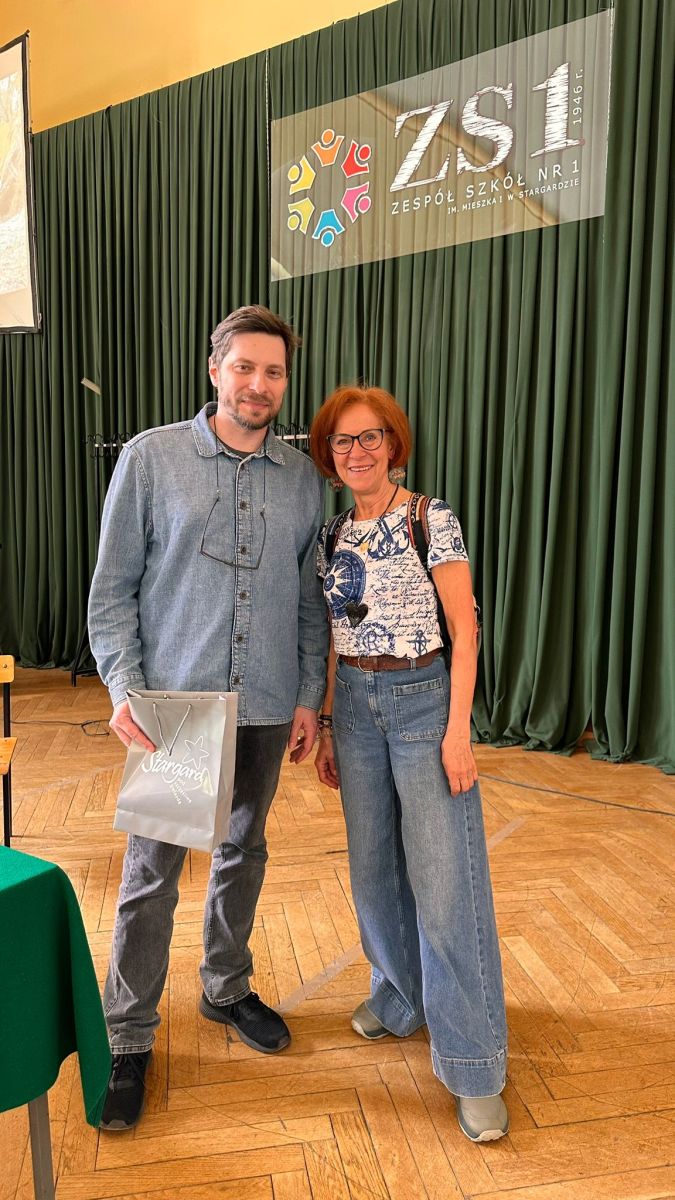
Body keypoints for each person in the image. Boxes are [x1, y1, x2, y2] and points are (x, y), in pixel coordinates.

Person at [88, 305, 327, 1130]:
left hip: (267, 702)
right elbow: (112, 591)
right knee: (152, 876)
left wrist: (307, 697)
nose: (259, 384)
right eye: (245, 367)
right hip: (179, 706)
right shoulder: (152, 459)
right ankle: (127, 1034)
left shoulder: (302, 479)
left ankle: (225, 988)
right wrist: (124, 688)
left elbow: (308, 603)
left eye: (274, 372)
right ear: (215, 368)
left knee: (243, 850)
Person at [310, 385, 508, 1143]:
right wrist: (332, 723)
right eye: (343, 441)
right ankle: (399, 996)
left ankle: (474, 1062)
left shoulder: (431, 518)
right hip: (357, 709)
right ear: (329, 456)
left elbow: (465, 627)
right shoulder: (332, 535)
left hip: (425, 702)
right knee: (373, 874)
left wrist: (458, 730)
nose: (357, 452)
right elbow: (337, 637)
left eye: (370, 437)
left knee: (445, 883)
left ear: (393, 444)